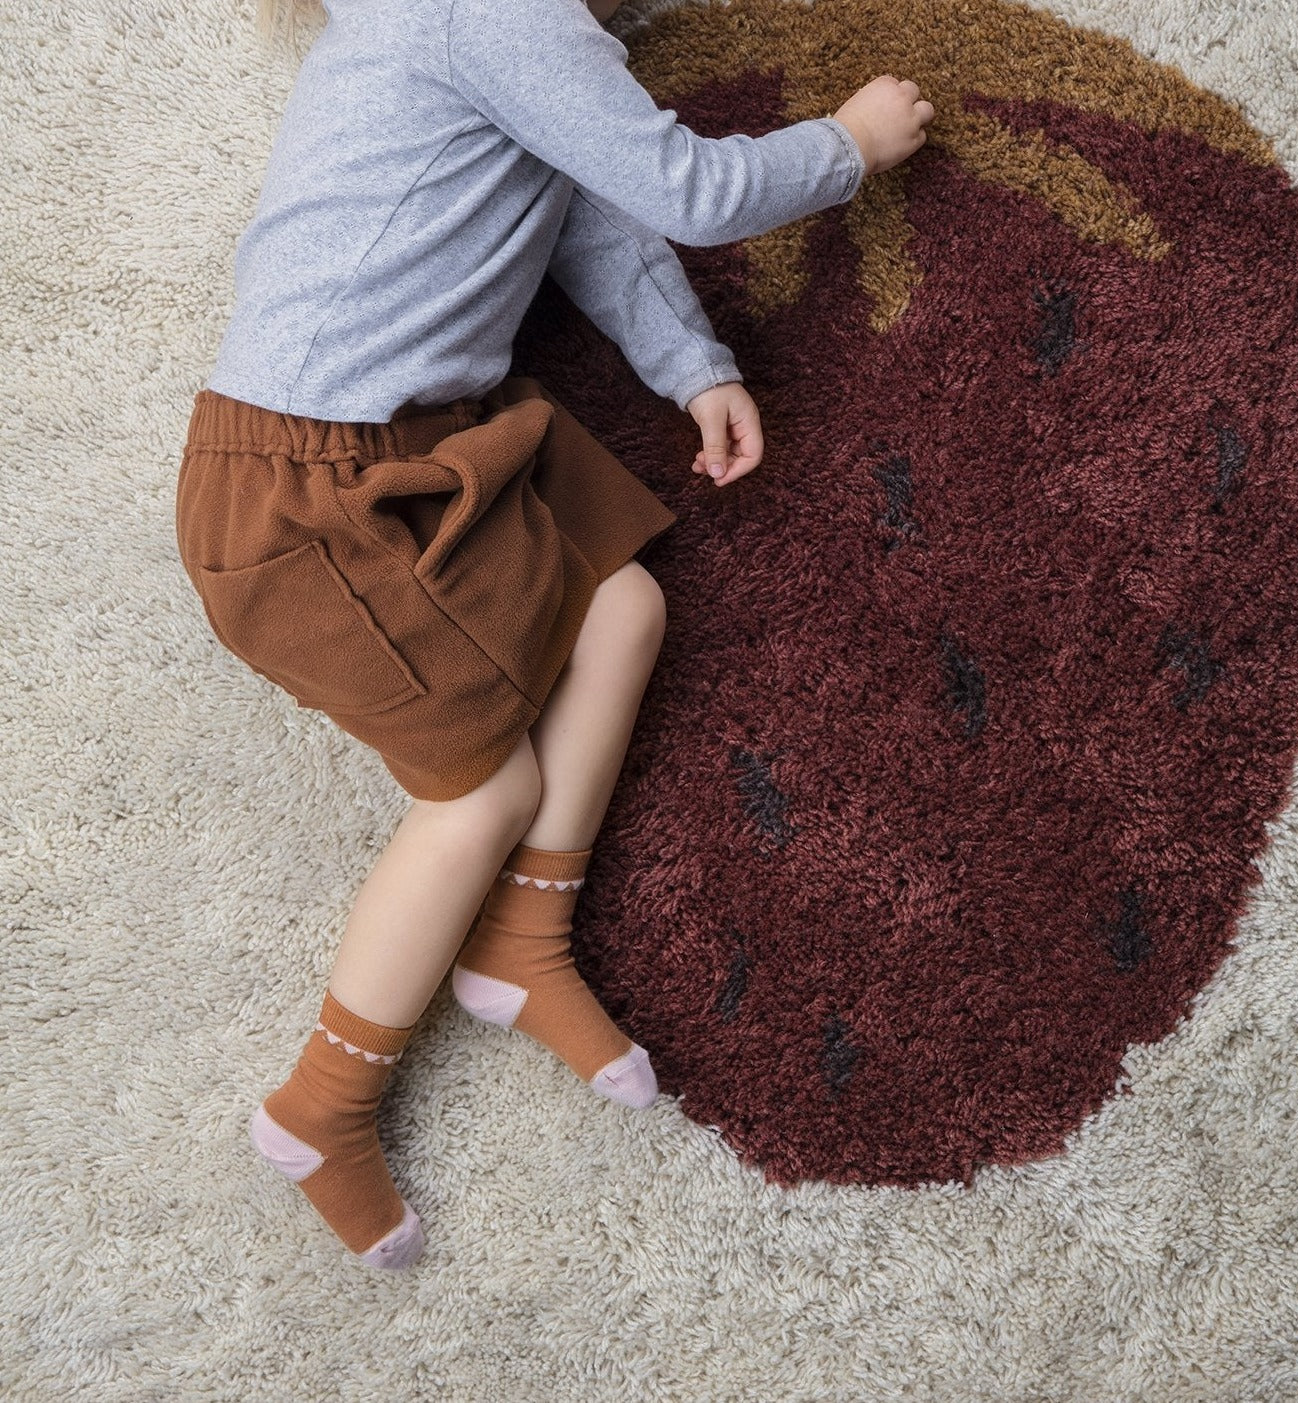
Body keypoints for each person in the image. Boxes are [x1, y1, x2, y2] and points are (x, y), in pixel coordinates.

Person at [174, 0, 934, 1269]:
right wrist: (844, 146)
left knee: (622, 603)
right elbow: (684, 188)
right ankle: (324, 1100)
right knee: (480, 789)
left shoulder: (510, 32)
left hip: (418, 447)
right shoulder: (485, 10)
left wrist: (692, 363)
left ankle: (523, 941)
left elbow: (594, 207)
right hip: (312, 492)